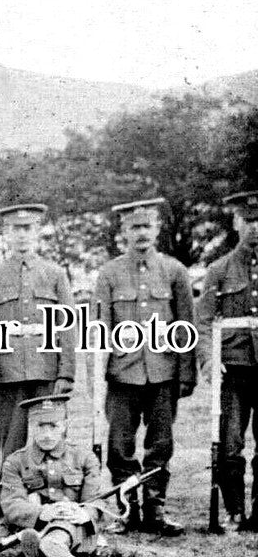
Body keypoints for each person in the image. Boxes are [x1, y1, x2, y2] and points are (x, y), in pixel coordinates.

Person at [95, 199, 196, 536]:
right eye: (134, 227)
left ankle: (155, 510)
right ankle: (127, 511)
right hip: (122, 375)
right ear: (124, 231)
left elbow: (186, 325)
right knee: (119, 447)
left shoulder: (174, 271)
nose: (141, 233)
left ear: (157, 229)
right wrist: (100, 376)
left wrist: (186, 374)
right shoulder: (109, 273)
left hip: (163, 373)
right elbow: (100, 328)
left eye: (147, 226)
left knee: (160, 445)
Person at [0, 203, 76, 457]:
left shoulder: (55, 274)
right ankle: (10, 481)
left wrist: (66, 374)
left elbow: (67, 327)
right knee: (11, 439)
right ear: (5, 233)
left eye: (27, 228)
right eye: (15, 229)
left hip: (47, 368)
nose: (21, 235)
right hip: (9, 371)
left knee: (51, 436)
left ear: (37, 231)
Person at [197, 189, 258, 532]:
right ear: (236, 223)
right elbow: (204, 322)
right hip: (233, 368)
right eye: (248, 220)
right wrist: (209, 361)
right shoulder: (219, 269)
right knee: (230, 444)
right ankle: (235, 510)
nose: (255, 227)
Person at [0, 395, 103, 557]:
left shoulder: (84, 457)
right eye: (40, 426)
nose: (47, 434)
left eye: (53, 426)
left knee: (62, 529)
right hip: (34, 524)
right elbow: (11, 504)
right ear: (31, 426)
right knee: (30, 533)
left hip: (73, 524)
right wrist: (41, 512)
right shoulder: (15, 461)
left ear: (64, 425)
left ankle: (48, 551)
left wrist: (85, 514)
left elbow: (97, 499)